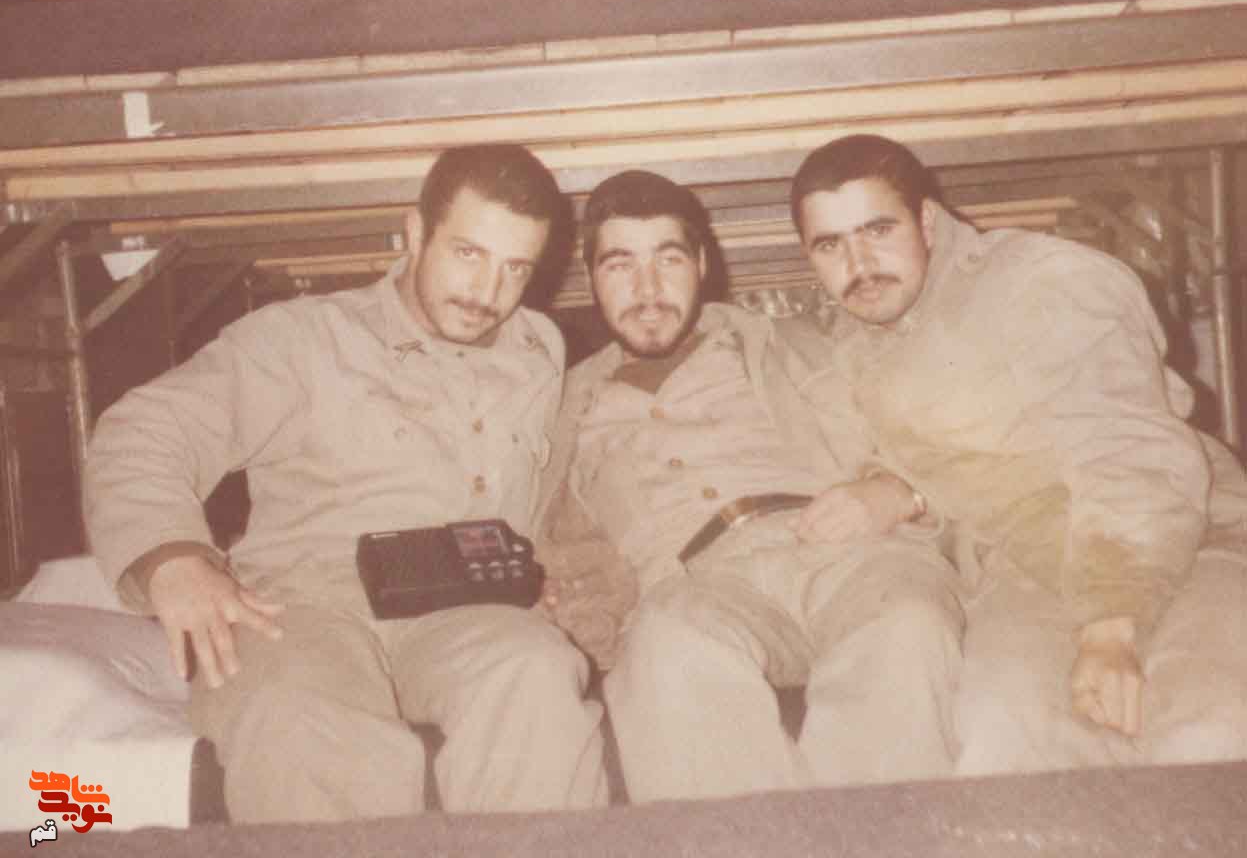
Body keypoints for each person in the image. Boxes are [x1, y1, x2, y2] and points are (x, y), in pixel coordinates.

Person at [82, 144, 607, 823]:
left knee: (537, 674)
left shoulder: (539, 349)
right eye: (468, 254)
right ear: (414, 233)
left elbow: (545, 483)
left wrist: (539, 568)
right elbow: (145, 430)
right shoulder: (303, 338)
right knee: (304, 720)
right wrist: (171, 558)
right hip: (306, 604)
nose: (487, 293)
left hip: (465, 608)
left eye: (515, 269)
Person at [790, 133, 1247, 775]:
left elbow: (1130, 454)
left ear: (927, 221)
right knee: (1004, 745)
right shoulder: (853, 347)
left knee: (1207, 740)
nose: (859, 263)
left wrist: (1111, 627)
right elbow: (947, 460)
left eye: (878, 230)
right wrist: (898, 490)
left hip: (1187, 538)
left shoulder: (1041, 279)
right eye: (830, 245)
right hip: (1028, 570)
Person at [536, 169, 963, 803]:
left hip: (846, 551)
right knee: (664, 644)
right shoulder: (562, 405)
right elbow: (543, 546)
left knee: (905, 623)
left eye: (668, 259)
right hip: (695, 585)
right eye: (620, 265)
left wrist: (894, 491)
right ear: (592, 277)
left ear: (702, 265)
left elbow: (952, 433)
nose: (647, 289)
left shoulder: (800, 343)